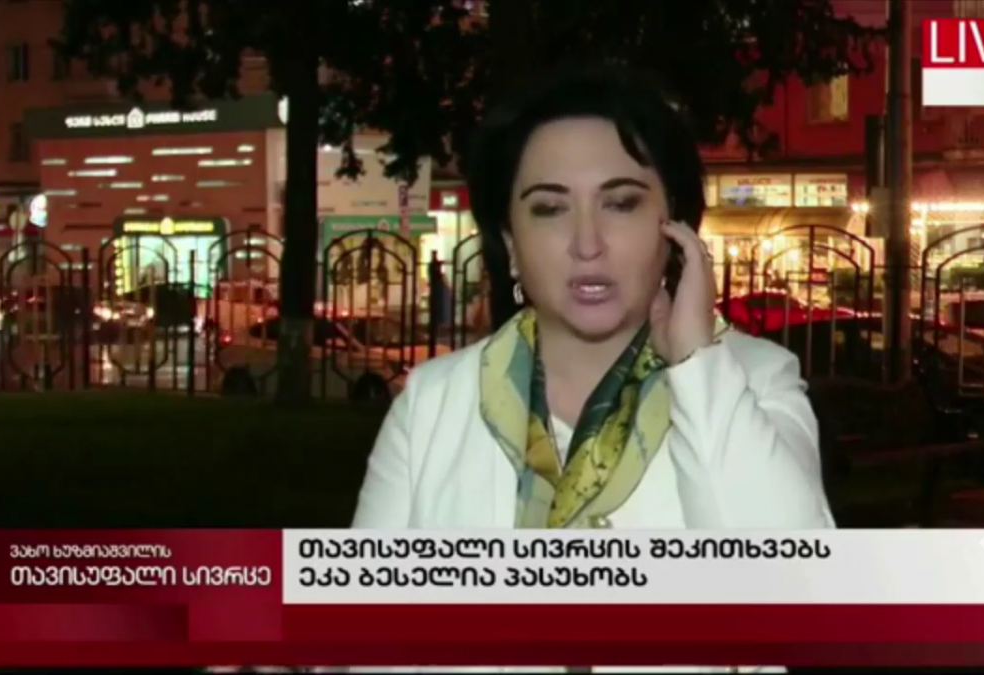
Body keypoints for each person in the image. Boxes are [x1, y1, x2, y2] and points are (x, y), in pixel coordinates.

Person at [350, 64, 833, 673]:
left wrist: (695, 365)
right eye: (549, 208)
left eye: (621, 203)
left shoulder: (752, 383)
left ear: (675, 225)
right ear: (510, 241)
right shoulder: (432, 403)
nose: (587, 243)